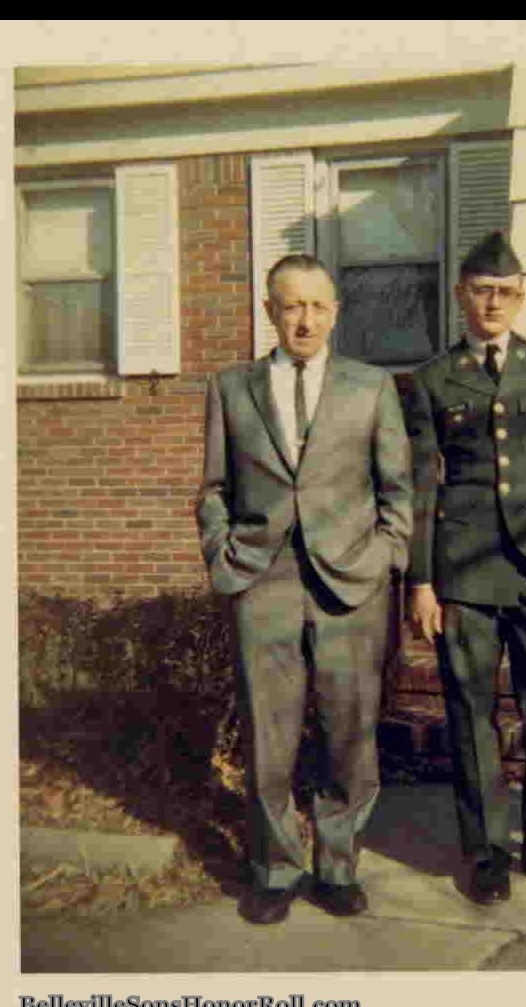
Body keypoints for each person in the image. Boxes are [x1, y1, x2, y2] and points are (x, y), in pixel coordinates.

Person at [195, 254, 412, 924]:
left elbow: (397, 494)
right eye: (291, 305)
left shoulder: (371, 387)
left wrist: (383, 557)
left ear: (336, 312)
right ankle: (275, 866)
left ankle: (338, 864)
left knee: (350, 731)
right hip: (264, 579)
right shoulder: (233, 387)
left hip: (350, 582)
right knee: (270, 732)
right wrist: (223, 557)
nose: (305, 319)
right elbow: (212, 490)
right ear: (269, 311)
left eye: (317, 305)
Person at [403, 230, 526, 905]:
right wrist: (420, 579)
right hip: (465, 568)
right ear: (461, 295)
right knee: (469, 706)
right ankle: (485, 851)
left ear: (520, 299)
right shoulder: (432, 378)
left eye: (506, 293)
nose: (493, 303)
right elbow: (422, 482)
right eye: (481, 291)